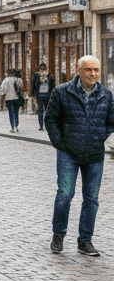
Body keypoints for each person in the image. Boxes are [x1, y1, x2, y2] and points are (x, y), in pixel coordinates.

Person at [43, 55, 114, 257]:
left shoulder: (106, 94)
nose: (93, 74)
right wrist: (59, 143)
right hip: (68, 153)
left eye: (96, 70)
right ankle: (58, 234)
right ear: (79, 70)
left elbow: (111, 121)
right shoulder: (62, 91)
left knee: (91, 199)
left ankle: (85, 241)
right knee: (65, 195)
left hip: (94, 155)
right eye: (88, 70)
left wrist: (99, 137)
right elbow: (50, 119)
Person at [31, 60, 56, 132]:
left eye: (43, 69)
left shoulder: (49, 75)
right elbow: (33, 85)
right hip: (39, 94)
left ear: (46, 69)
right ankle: (41, 126)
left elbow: (52, 85)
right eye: (41, 69)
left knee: (47, 111)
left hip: (47, 94)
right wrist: (32, 94)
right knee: (40, 110)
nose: (42, 70)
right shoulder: (36, 75)